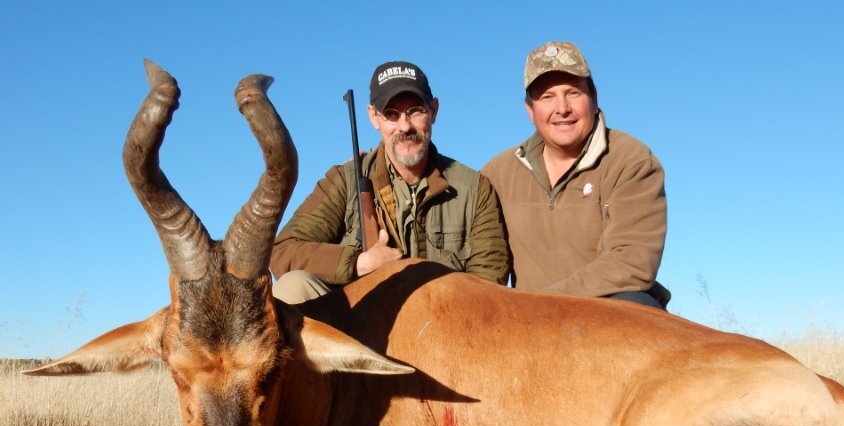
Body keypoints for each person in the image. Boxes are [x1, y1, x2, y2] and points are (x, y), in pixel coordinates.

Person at [271, 61, 509, 302]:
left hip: (443, 328)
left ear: (434, 110)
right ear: (374, 117)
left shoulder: (475, 188)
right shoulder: (345, 180)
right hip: (356, 331)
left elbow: (490, 281)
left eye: (416, 111)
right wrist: (357, 263)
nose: (405, 126)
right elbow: (282, 251)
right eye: (391, 114)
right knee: (292, 288)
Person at [483, 41, 670, 309]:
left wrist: (538, 304)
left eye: (573, 93)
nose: (562, 108)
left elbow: (632, 263)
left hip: (606, 311)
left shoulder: (632, 160)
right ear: (530, 111)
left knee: (633, 303)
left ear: (594, 100)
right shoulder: (497, 173)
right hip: (528, 326)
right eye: (547, 97)